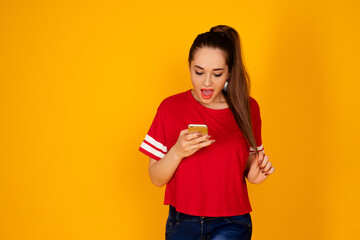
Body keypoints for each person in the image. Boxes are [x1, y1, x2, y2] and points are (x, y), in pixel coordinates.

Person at [138, 24, 275, 240]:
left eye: (217, 73)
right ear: (189, 67)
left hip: (232, 222)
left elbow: (250, 161)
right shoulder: (170, 108)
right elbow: (156, 178)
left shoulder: (248, 108)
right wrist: (177, 152)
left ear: (229, 71)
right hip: (182, 222)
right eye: (199, 72)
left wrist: (254, 173)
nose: (207, 82)